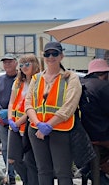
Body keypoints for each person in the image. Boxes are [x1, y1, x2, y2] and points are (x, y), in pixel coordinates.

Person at [25, 42, 82, 185]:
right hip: (36, 130)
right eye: (47, 54)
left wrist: (49, 125)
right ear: (43, 56)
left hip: (60, 130)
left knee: (63, 171)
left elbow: (69, 106)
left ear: (61, 56)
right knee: (43, 170)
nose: (51, 57)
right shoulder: (36, 78)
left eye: (55, 53)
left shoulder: (71, 78)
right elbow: (28, 104)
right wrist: (38, 124)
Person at [7, 54, 39, 185]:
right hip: (14, 125)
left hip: (29, 125)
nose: (24, 67)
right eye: (21, 65)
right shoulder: (18, 82)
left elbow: (34, 106)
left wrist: (19, 122)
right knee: (13, 159)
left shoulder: (38, 82)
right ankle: (27, 181)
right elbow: (11, 102)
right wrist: (10, 118)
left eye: (27, 64)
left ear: (34, 64)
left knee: (30, 160)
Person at [79, 59, 109, 183]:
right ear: (105, 73)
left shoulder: (80, 85)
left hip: (83, 137)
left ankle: (89, 171)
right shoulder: (105, 87)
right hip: (103, 136)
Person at [0, 53, 18, 184]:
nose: (7, 64)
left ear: (16, 63)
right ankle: (10, 174)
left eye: (10, 61)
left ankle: (23, 174)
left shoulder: (21, 79)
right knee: (5, 148)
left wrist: (12, 112)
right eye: (5, 62)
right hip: (2, 121)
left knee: (20, 148)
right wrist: (0, 110)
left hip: (19, 120)